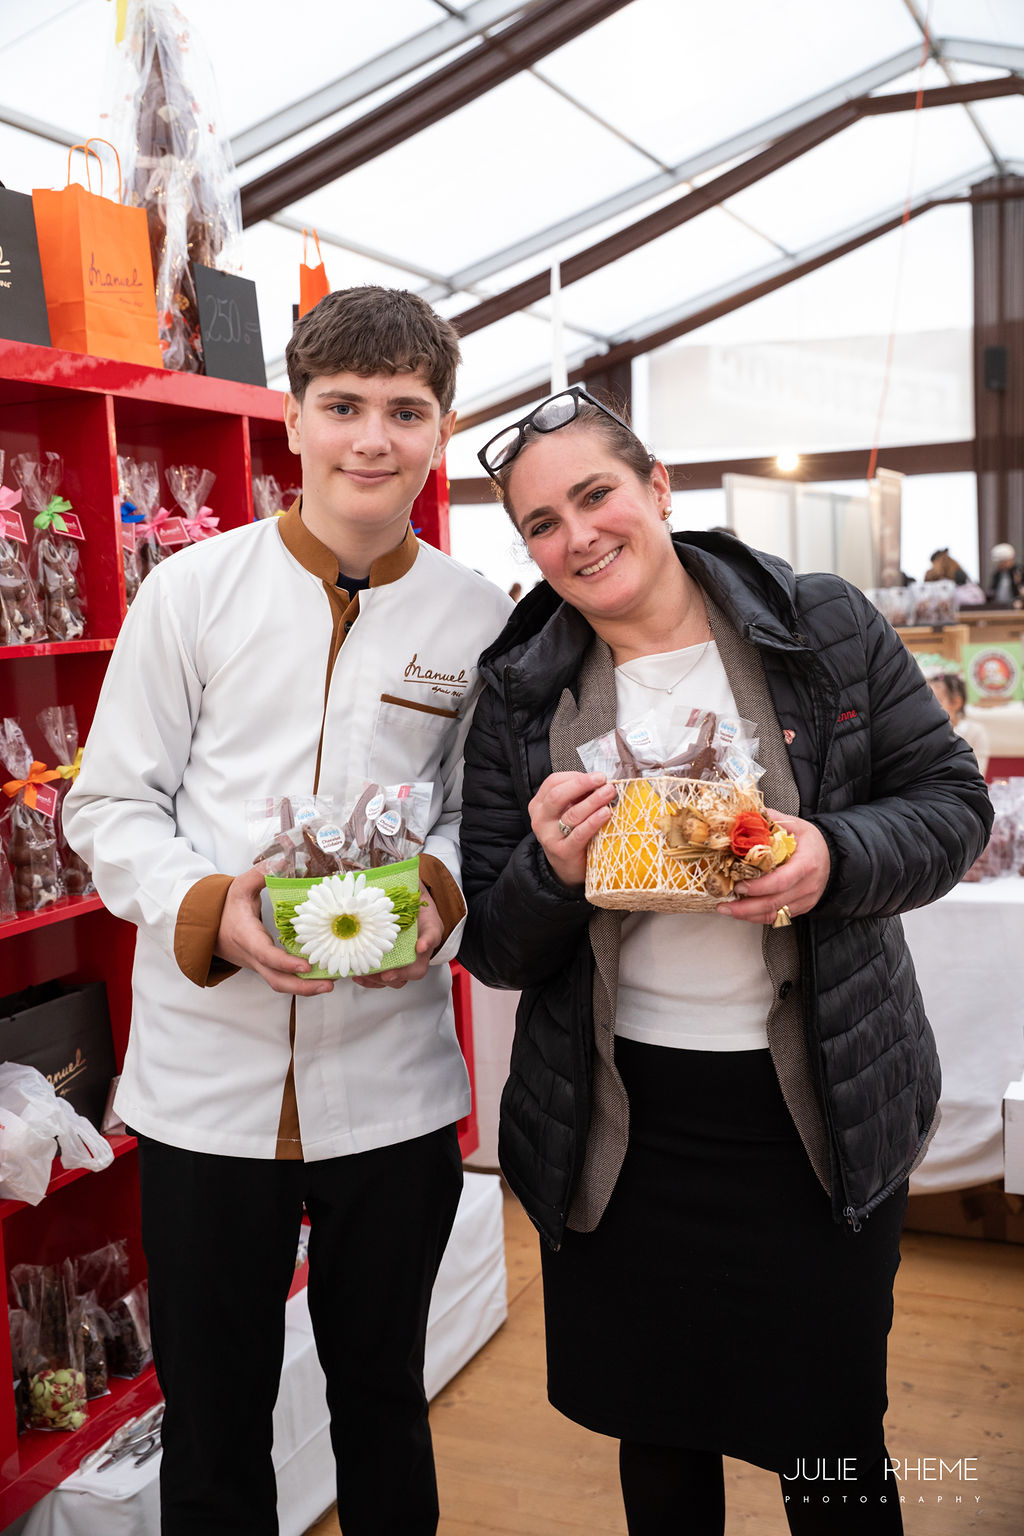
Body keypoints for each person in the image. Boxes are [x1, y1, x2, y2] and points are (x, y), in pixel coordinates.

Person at [456, 386, 991, 1535]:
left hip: (815, 1111)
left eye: (595, 494)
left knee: (831, 1444)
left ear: (657, 489)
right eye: (542, 522)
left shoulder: (817, 624)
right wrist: (551, 871)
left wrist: (830, 857)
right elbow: (493, 947)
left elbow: (952, 803)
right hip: (620, 1126)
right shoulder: (522, 690)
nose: (577, 535)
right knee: (658, 1436)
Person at [64, 287, 512, 1536]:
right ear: (292, 419)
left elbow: (470, 815)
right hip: (207, 1089)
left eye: (405, 411)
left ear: (442, 427)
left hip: (393, 1085)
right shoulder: (191, 593)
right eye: (343, 407)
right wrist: (211, 906)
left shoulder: (476, 617)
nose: (372, 439)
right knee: (214, 1427)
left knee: (384, 1404)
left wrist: (434, 896)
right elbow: (109, 804)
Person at [926, 667, 991, 778]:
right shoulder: (922, 732)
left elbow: (977, 774)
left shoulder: (974, 732)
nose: (928, 708)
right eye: (926, 701)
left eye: (936, 701)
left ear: (956, 702)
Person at [987, 541, 1024, 607]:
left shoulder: (1018, 571)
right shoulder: (997, 574)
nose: (1000, 565)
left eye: (1002, 562)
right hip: (999, 606)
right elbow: (992, 591)